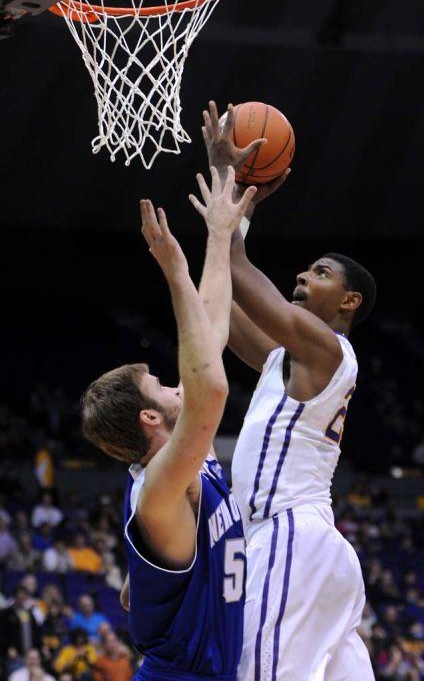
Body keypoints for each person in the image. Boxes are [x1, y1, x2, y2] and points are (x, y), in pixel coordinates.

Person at [198, 100, 377, 680]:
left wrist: (238, 204)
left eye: (321, 273)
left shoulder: (329, 350)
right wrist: (232, 187)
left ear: (349, 303)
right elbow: (223, 295)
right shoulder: (287, 359)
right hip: (315, 550)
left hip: (289, 538)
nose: (303, 275)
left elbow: (255, 289)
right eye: (306, 269)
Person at [80, 174, 256, 680]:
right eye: (161, 384)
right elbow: (212, 391)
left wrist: (221, 229)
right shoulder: (159, 488)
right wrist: (175, 268)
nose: (178, 385)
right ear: (150, 417)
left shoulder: (177, 462)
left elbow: (211, 329)